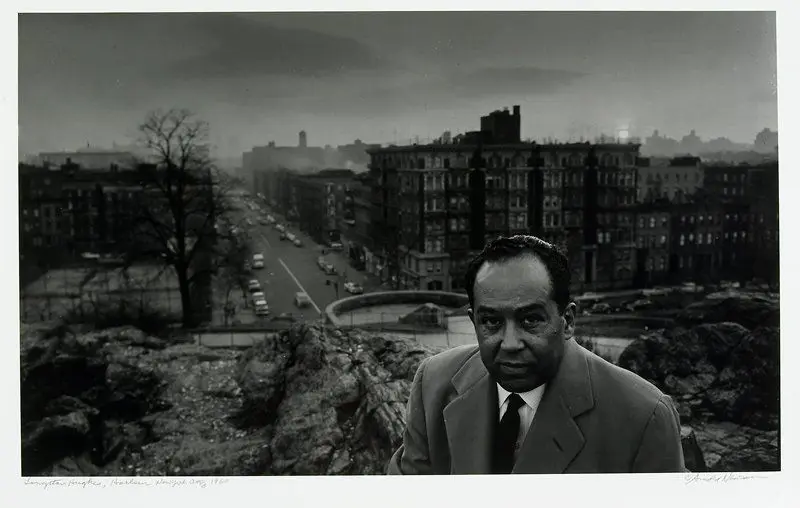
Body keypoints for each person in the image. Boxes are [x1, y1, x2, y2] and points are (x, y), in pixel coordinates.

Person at [387, 235, 685, 474]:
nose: (510, 343)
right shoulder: (433, 383)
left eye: (530, 319)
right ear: (473, 320)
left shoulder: (644, 416)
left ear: (568, 321)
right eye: (491, 321)